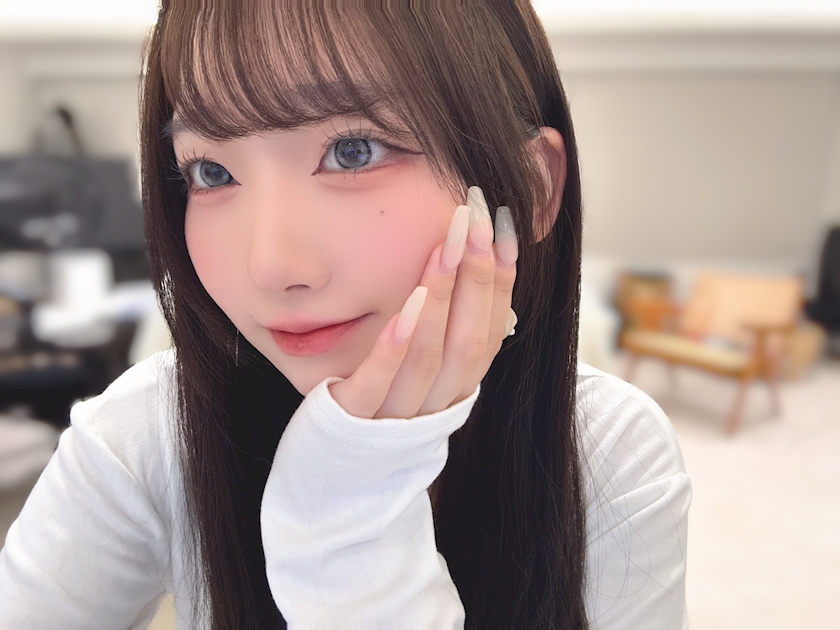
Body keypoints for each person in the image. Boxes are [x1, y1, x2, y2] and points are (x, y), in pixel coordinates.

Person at [0, 2, 691, 628]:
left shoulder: (610, 452)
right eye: (211, 172)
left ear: (533, 188)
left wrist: (348, 517)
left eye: (354, 151)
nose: (270, 267)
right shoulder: (147, 432)